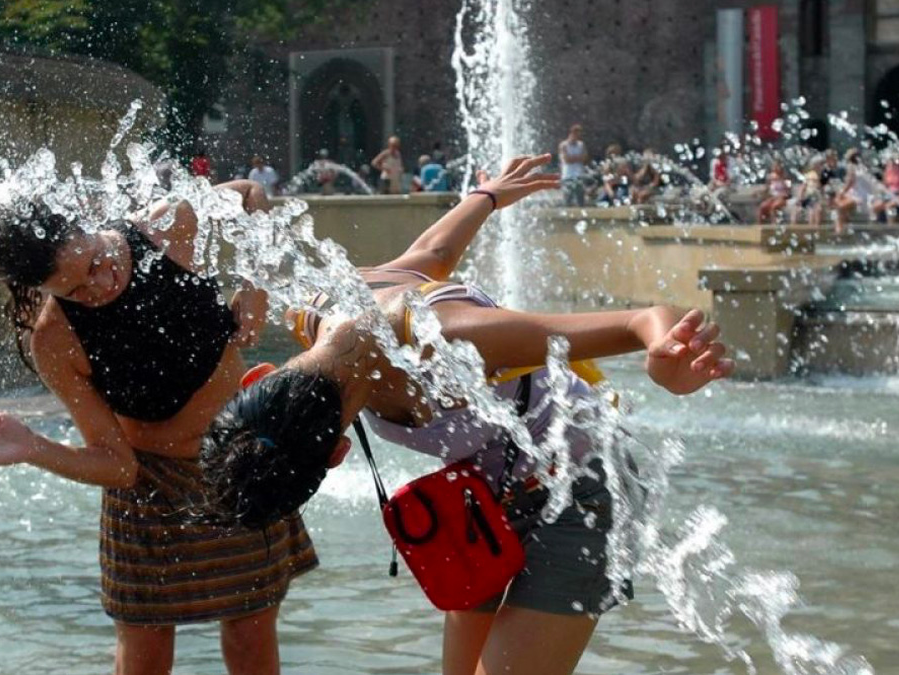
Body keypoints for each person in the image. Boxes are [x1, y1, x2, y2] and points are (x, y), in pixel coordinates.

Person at [201, 154, 734, 675]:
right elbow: (428, 255)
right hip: (479, 503)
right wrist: (487, 197)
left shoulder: (448, 342)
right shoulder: (311, 311)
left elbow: (640, 318)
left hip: (582, 490)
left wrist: (667, 356)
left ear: (337, 454)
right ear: (259, 377)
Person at [0, 179, 318, 675]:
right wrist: (33, 446)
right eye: (75, 288)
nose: (99, 284)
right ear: (39, 288)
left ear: (85, 225)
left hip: (237, 465)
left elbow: (251, 194)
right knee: (144, 660)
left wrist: (256, 287)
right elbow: (118, 467)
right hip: (149, 493)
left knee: (251, 643)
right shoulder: (56, 342)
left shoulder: (166, 225)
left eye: (95, 262)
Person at [558, 125, 588, 207]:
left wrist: (573, 158)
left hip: (579, 174)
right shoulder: (564, 145)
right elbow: (566, 159)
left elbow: (584, 158)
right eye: (577, 134)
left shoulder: (581, 144)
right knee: (567, 200)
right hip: (568, 175)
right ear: (572, 133)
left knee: (580, 200)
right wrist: (578, 157)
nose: (578, 136)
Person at [790, 157, 826, 227]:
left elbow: (821, 189)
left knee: (814, 210)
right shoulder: (809, 175)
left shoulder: (822, 175)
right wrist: (800, 198)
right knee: (796, 209)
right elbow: (803, 187)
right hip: (808, 196)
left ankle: (814, 228)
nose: (821, 167)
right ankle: (793, 227)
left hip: (816, 197)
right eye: (819, 165)